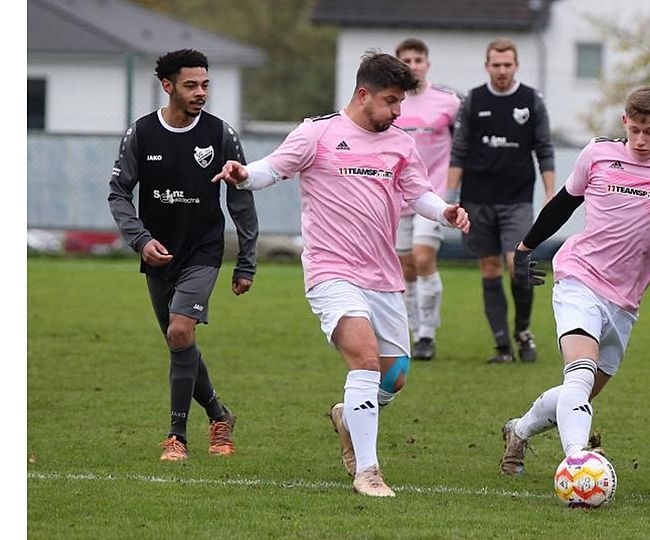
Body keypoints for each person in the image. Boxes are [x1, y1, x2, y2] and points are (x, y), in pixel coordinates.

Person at [211, 51, 470, 497]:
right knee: (365, 360)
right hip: (331, 270)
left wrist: (445, 212)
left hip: (383, 274)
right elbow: (272, 168)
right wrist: (241, 174)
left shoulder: (401, 144)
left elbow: (420, 195)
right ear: (363, 94)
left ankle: (348, 415)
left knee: (394, 377)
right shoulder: (319, 133)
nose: (397, 111)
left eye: (401, 103)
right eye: (390, 101)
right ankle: (367, 471)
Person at [498, 87, 650, 475]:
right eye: (634, 130)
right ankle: (578, 463)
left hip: (625, 302)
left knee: (578, 391)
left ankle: (519, 430)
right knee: (579, 372)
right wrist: (524, 248)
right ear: (624, 122)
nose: (641, 140)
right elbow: (565, 202)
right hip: (578, 278)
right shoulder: (598, 154)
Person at [107, 49, 258, 462]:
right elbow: (119, 193)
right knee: (180, 341)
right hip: (157, 252)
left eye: (206, 84)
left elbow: (241, 201)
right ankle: (219, 413)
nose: (201, 93)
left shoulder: (221, 135)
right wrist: (139, 239)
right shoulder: (141, 134)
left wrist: (246, 260)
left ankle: (177, 437)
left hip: (203, 250)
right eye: (191, 85)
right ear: (168, 85)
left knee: (178, 331)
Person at [448, 37, 556, 364]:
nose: (502, 70)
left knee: (517, 264)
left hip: (517, 200)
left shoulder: (531, 101)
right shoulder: (473, 101)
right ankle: (502, 346)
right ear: (487, 66)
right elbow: (460, 151)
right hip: (477, 200)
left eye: (508, 64)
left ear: (516, 66)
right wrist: (448, 199)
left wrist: (552, 195)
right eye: (496, 65)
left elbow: (545, 150)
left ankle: (523, 332)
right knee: (490, 267)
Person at [392, 38, 462, 361]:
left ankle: (427, 334)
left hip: (431, 196)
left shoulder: (448, 102)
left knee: (423, 259)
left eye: (418, 59)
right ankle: (410, 330)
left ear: (427, 64)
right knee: (405, 267)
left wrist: (452, 189)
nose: (413, 65)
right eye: (406, 59)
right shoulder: (391, 102)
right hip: (395, 195)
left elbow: (462, 147)